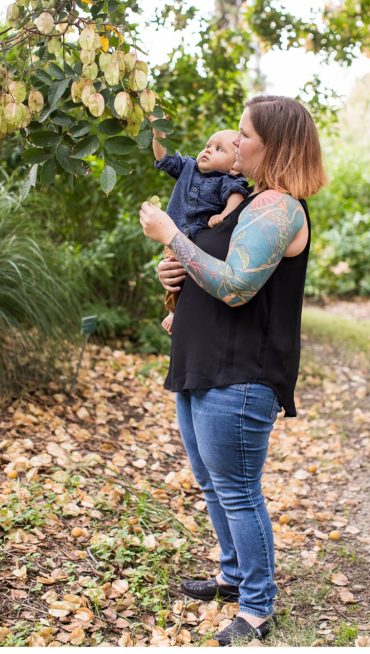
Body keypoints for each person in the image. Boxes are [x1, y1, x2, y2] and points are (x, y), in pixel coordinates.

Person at [138, 95, 326, 645]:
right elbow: (212, 271)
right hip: (201, 361)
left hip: (241, 373)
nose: (236, 142)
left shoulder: (280, 208)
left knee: (239, 490)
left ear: (275, 145)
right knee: (211, 483)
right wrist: (172, 275)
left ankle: (258, 608)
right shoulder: (244, 204)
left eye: (244, 135)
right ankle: (232, 575)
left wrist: (172, 235)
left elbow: (238, 287)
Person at [151, 127, 250, 334]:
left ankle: (180, 310)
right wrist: (159, 132)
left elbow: (236, 197)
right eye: (207, 146)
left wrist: (224, 215)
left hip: (198, 242)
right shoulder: (188, 167)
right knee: (173, 273)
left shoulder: (229, 180)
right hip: (175, 235)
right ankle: (172, 310)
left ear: (234, 166)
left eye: (218, 149)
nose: (208, 150)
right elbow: (163, 156)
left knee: (191, 276)